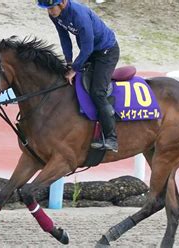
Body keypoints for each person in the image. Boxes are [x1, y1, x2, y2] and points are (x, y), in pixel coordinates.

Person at [37, 0, 120, 152]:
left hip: (106, 53)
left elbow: (87, 47)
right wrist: (69, 62)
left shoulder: (79, 15)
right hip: (90, 52)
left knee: (97, 92)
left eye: (51, 7)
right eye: (47, 8)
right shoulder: (55, 15)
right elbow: (64, 38)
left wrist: (75, 68)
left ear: (62, 2)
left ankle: (111, 138)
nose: (49, 11)